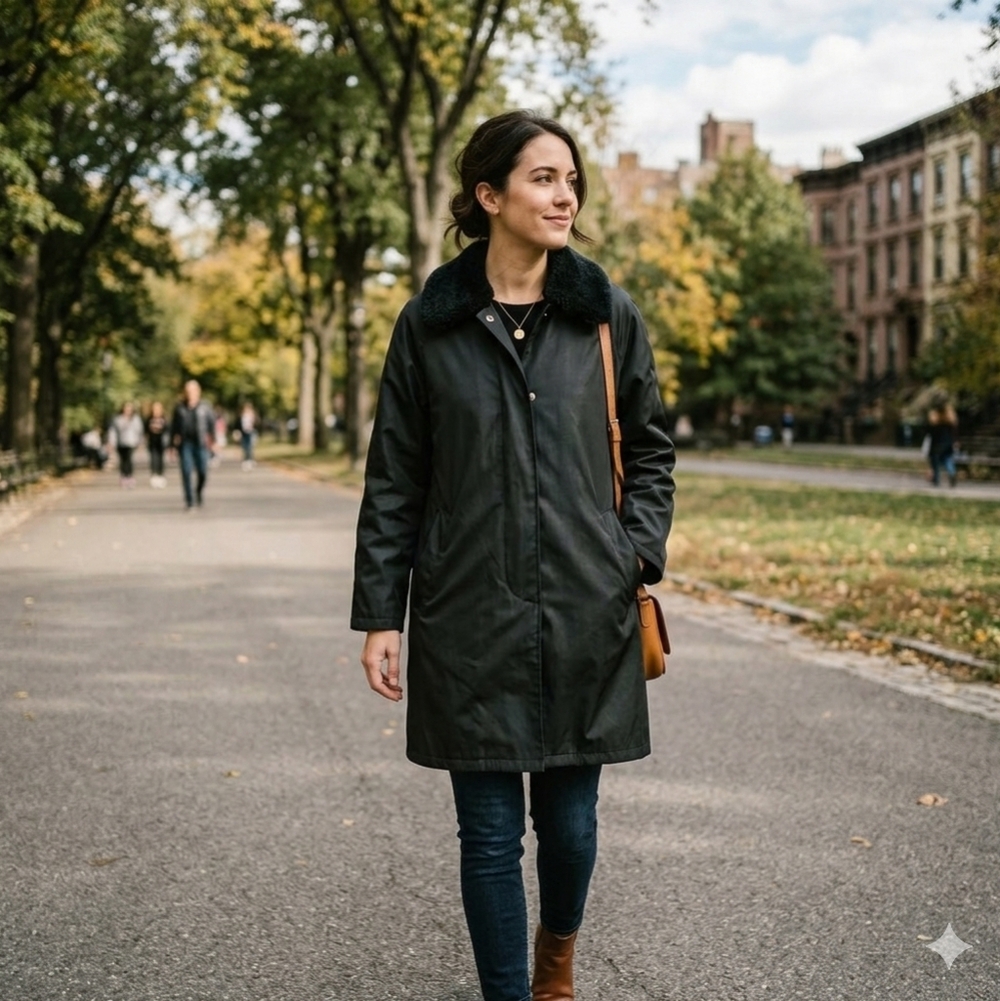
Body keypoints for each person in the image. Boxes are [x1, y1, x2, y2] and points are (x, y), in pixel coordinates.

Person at [351, 110, 676, 1001]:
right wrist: (383, 612)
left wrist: (632, 550)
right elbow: (395, 476)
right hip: (469, 612)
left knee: (570, 828)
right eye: (542, 178)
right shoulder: (431, 323)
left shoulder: (606, 312)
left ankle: (556, 957)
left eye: (570, 178)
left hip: (587, 608)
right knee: (488, 837)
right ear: (489, 196)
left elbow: (649, 449)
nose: (564, 194)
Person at [170, 380, 215, 509]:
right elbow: (174, 428)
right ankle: (189, 500)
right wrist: (172, 446)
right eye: (188, 391)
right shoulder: (179, 408)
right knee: (186, 471)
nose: (190, 394)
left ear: (198, 392)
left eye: (193, 391)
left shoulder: (205, 407)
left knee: (203, 471)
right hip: (185, 444)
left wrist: (214, 442)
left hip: (201, 443)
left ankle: (198, 491)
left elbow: (211, 425)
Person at [109, 401, 144, 488]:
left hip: (131, 442)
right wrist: (111, 443)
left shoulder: (136, 419)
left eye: (130, 408)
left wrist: (140, 442)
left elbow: (139, 431)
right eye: (126, 408)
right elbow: (113, 431)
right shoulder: (118, 419)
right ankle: (123, 477)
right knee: (123, 460)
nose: (128, 410)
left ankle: (130, 476)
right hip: (121, 442)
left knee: (129, 460)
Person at [928, 404, 958, 487]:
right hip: (948, 443)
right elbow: (954, 433)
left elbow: (930, 434)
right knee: (947, 459)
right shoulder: (950, 421)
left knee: (935, 462)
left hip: (937, 444)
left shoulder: (935, 422)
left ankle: (936, 479)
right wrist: (955, 441)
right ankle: (952, 472)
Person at [146, 401, 169, 488]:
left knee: (160, 459)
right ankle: (154, 475)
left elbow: (167, 429)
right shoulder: (149, 419)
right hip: (152, 442)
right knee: (153, 458)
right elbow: (145, 430)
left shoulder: (164, 419)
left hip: (161, 442)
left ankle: (160, 475)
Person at [238, 402, 258, 470]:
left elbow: (255, 423)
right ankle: (245, 460)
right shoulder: (242, 416)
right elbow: (240, 425)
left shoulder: (252, 415)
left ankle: (250, 459)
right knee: (245, 447)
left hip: (250, 432)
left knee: (250, 447)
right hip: (244, 433)